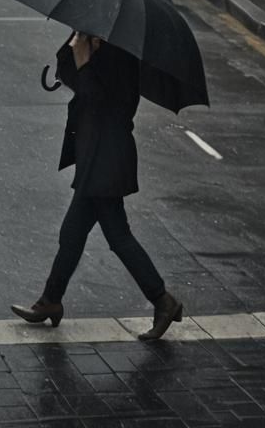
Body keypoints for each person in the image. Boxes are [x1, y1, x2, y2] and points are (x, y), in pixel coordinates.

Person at [10, 32, 183, 341]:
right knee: (72, 233)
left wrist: (83, 58)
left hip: (108, 158)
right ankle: (50, 300)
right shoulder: (100, 44)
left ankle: (162, 300)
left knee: (118, 236)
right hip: (97, 156)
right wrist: (77, 46)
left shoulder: (121, 55)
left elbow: (95, 98)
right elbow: (70, 78)